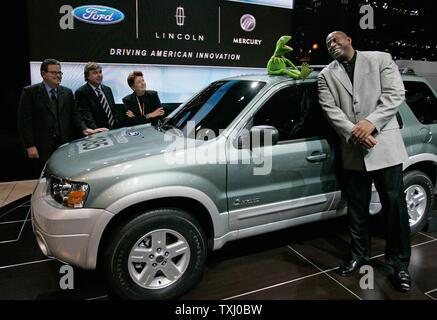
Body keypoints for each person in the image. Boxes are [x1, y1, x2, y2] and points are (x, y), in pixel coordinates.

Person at [318, 31, 412, 291]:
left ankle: (400, 265)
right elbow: (330, 110)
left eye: (336, 40)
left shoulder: (380, 59)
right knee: (357, 209)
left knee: (395, 206)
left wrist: (370, 124)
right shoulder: (326, 75)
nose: (333, 46)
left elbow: (394, 94)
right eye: (328, 45)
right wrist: (354, 133)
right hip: (353, 148)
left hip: (384, 144)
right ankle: (359, 255)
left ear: (348, 39)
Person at [17, 58, 100, 177]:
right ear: (43, 74)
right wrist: (30, 146)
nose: (58, 76)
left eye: (59, 73)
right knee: (44, 179)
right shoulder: (30, 92)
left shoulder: (67, 92)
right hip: (42, 146)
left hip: (64, 146)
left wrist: (84, 129)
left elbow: (75, 116)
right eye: (54, 73)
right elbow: (24, 122)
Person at [75, 62, 122, 130]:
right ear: (87, 76)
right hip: (98, 133)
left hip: (114, 130)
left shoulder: (107, 89)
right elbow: (86, 117)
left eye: (100, 72)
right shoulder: (82, 92)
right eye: (95, 73)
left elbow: (114, 112)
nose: (99, 75)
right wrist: (97, 132)